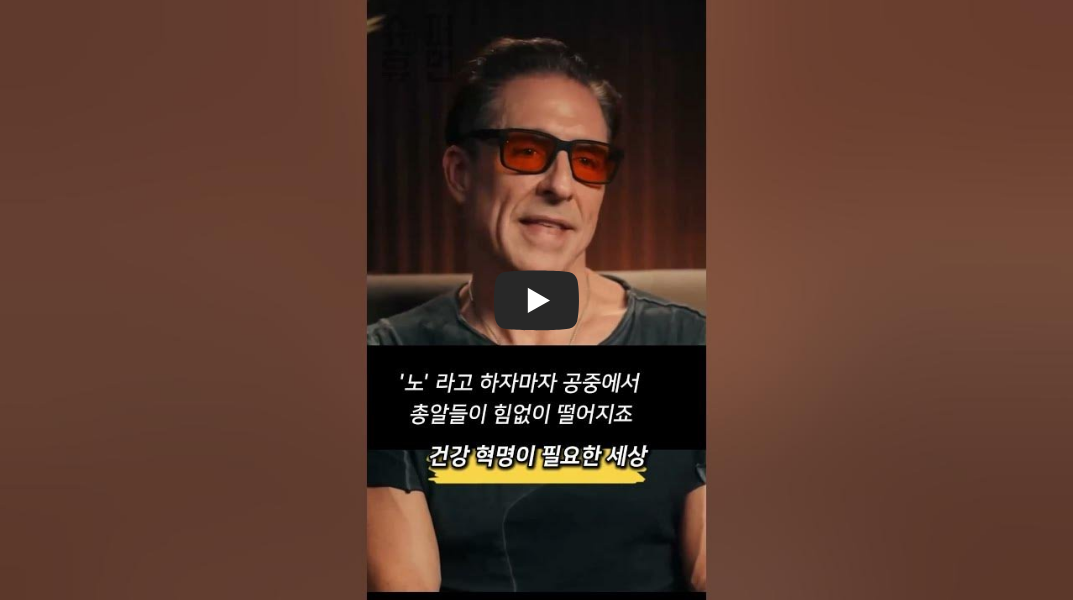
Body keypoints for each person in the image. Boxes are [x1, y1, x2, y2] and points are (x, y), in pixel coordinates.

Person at [367, 38, 706, 592]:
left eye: (588, 161)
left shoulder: (688, 346)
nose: (561, 186)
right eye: (526, 152)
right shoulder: (386, 359)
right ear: (460, 172)